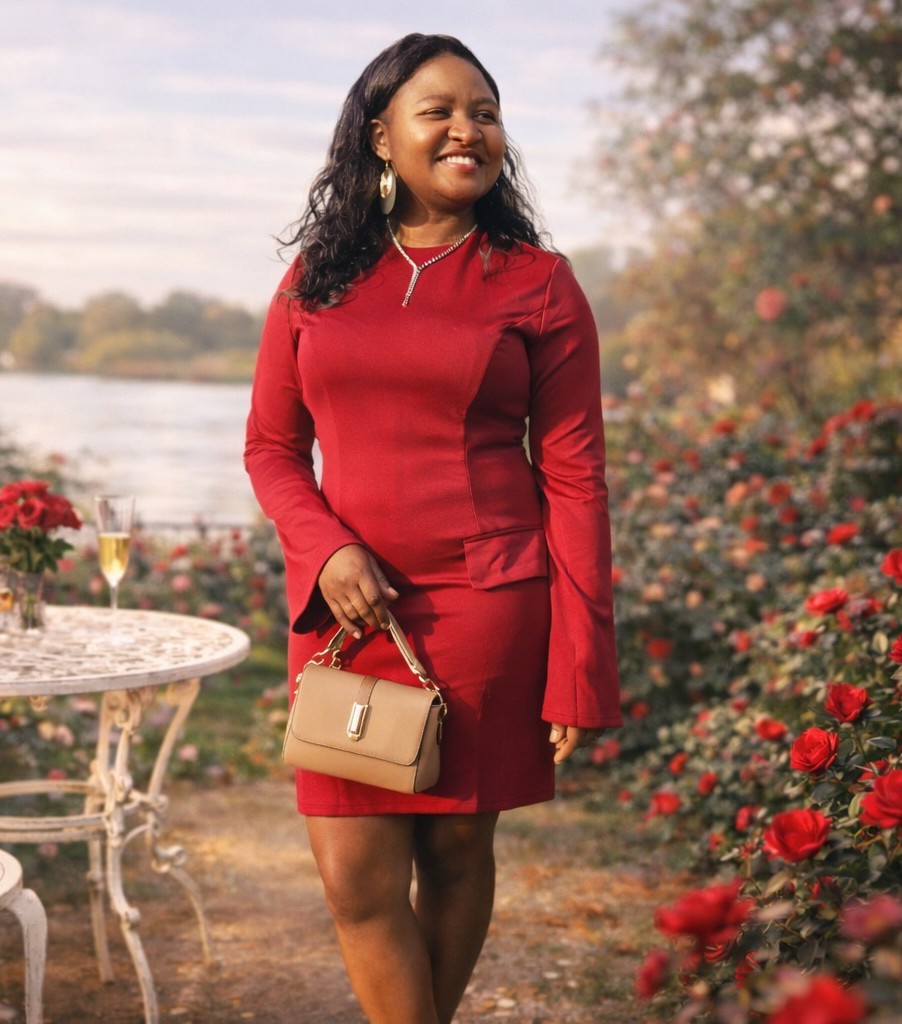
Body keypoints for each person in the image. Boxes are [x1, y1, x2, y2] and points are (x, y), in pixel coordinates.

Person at [243, 32, 622, 1024]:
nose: (469, 129)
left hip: (488, 603)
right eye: (441, 110)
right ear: (381, 136)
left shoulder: (539, 283)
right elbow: (271, 451)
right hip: (346, 617)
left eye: (486, 113)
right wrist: (326, 547)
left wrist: (581, 662)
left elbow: (577, 480)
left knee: (457, 856)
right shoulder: (312, 284)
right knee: (353, 878)